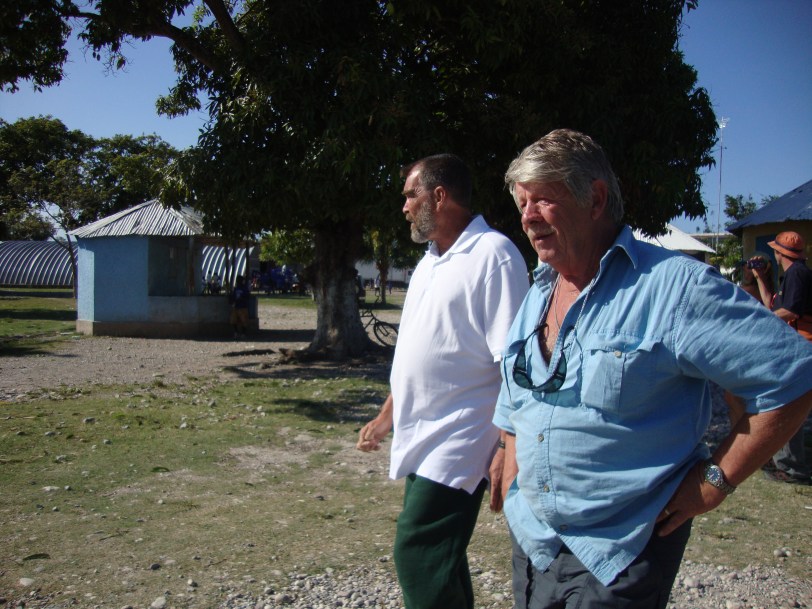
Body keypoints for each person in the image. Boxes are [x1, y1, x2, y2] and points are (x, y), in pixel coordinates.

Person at [493, 129, 812, 609]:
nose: (527, 218)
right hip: (534, 537)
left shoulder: (675, 289)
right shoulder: (540, 289)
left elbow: (794, 376)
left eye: (542, 200)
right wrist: (507, 446)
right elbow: (518, 387)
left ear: (595, 198)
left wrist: (715, 483)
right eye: (522, 203)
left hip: (624, 546)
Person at [356, 153, 529, 609]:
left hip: (463, 435)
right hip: (422, 433)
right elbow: (418, 348)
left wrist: (506, 446)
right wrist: (386, 415)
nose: (405, 207)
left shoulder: (494, 255)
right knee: (441, 560)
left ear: (439, 195)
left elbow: (515, 361)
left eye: (411, 195)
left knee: (417, 551)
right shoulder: (430, 261)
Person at [762, 231, 812, 484]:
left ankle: (792, 467)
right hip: (801, 344)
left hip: (802, 345)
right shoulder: (796, 274)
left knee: (786, 404)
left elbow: (790, 310)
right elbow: (776, 306)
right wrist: (762, 278)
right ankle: (789, 462)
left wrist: (758, 321)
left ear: (779, 253)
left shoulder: (796, 274)